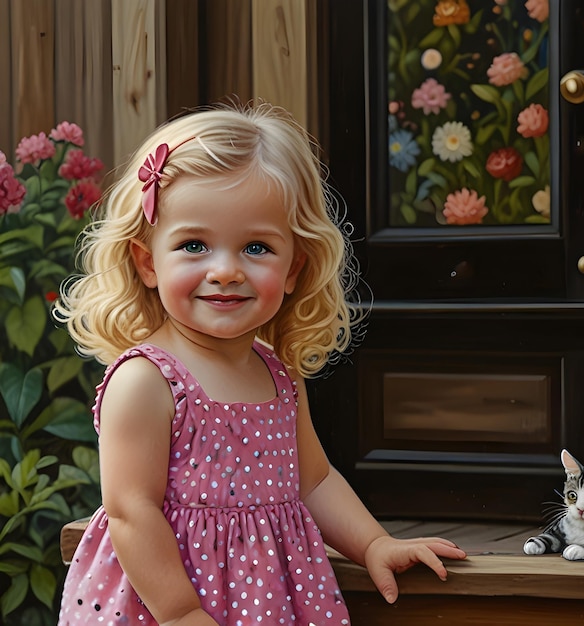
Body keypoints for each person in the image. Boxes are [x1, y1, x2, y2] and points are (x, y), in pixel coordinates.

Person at [55, 101, 466, 626]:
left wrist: (373, 544)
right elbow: (131, 512)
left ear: (294, 267)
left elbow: (313, 481)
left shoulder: (276, 373)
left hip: (267, 598)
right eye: (194, 244)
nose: (225, 271)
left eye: (255, 247)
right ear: (146, 261)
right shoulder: (145, 381)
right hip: (165, 601)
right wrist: (181, 613)